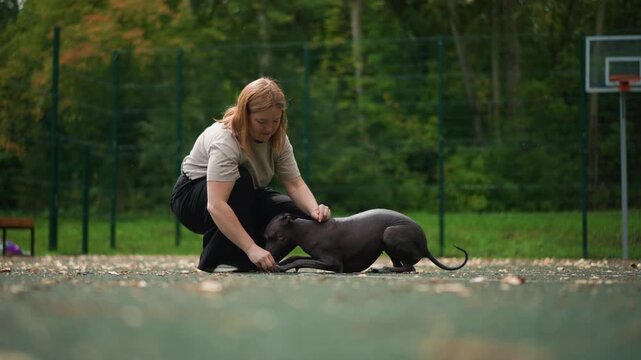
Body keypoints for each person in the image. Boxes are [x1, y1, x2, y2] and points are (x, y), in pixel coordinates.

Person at [170, 77, 331, 272]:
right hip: (194, 199)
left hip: (245, 195)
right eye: (261, 121)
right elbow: (216, 205)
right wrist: (250, 247)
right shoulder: (225, 140)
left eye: (275, 121)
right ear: (244, 115)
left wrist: (315, 210)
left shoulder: (278, 139)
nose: (269, 128)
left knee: (298, 217)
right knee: (240, 179)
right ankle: (219, 261)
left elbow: (295, 184)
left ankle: (257, 261)